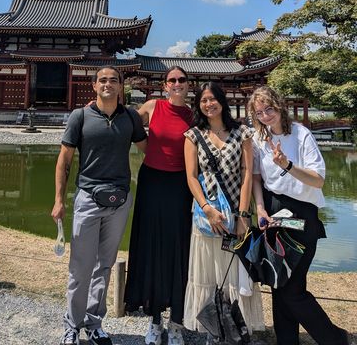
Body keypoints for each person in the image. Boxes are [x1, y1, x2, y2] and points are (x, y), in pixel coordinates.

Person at [52, 66, 147, 345]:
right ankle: (72, 325)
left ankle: (94, 324)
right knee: (80, 267)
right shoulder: (80, 116)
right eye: (103, 80)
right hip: (88, 198)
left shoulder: (130, 117)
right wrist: (59, 199)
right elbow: (64, 160)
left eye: (114, 80)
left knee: (104, 265)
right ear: (94, 86)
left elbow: (150, 150)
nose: (108, 84)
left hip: (119, 200)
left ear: (121, 86)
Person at [250, 85, 350, 345]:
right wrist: (259, 207)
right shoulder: (260, 138)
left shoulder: (301, 134)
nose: (265, 115)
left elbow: (317, 181)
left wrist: (288, 166)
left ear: (279, 106)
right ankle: (286, 340)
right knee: (278, 281)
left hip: (302, 213)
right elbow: (257, 178)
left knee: (293, 289)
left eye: (269, 108)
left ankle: (334, 338)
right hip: (273, 210)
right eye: (259, 112)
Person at [183, 81, 264, 343]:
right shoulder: (193, 135)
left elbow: (246, 175)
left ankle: (235, 329)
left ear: (222, 101)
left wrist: (242, 215)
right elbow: (192, 177)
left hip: (235, 216)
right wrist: (207, 210)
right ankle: (212, 330)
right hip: (207, 217)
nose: (208, 104)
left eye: (212, 99)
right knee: (207, 272)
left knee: (233, 272)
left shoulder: (242, 133)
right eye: (203, 100)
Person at [124, 66, 195, 345]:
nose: (177, 84)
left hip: (181, 184)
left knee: (179, 247)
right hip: (152, 181)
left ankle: (176, 321)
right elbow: (125, 122)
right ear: (165, 85)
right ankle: (154, 319)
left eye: (181, 80)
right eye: (172, 80)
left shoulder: (194, 114)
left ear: (188, 85)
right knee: (151, 246)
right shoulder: (153, 106)